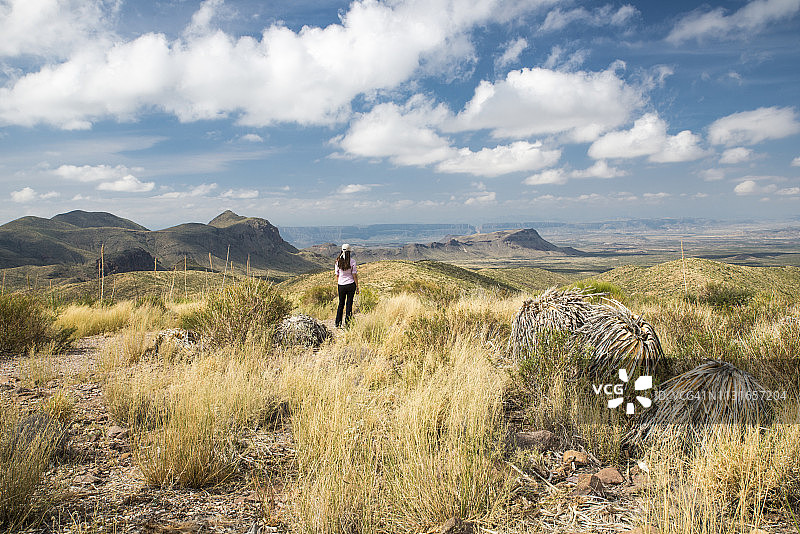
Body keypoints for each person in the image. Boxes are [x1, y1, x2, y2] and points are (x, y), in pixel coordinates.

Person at [334, 243, 358, 327]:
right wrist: (357, 286)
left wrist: (339, 283)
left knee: (341, 304)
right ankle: (348, 323)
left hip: (341, 285)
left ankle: (338, 323)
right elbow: (354, 275)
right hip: (351, 284)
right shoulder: (352, 261)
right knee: (349, 304)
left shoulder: (337, 261)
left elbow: (337, 275)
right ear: (349, 252)